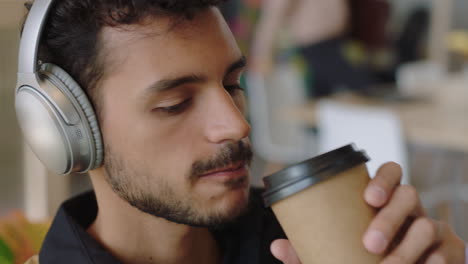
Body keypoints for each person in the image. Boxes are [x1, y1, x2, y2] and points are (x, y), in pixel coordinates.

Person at [19, 0, 466, 263]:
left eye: (233, 85)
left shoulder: (303, 243)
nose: (237, 124)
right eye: (176, 104)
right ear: (70, 130)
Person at [249, 0, 376, 97]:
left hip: (339, 44)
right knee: (366, 89)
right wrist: (261, 55)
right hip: (316, 49)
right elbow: (272, 18)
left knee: (360, 92)